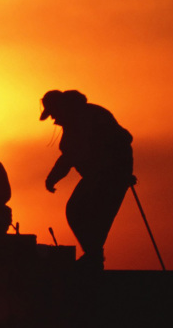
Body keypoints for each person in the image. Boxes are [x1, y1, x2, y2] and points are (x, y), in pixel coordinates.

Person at [40, 89, 134, 270]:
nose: (53, 120)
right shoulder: (86, 115)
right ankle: (93, 256)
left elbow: (71, 155)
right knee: (87, 213)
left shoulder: (82, 119)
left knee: (78, 211)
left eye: (53, 114)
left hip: (106, 175)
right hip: (109, 174)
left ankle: (93, 256)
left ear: (61, 108)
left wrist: (52, 178)